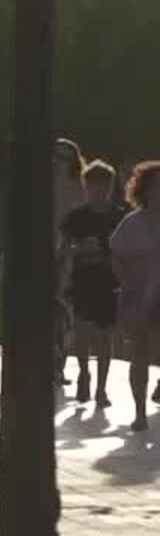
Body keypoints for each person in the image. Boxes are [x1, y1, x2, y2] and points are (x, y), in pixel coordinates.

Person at [61, 161, 123, 409]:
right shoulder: (76, 217)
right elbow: (64, 249)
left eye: (103, 184)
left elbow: (126, 250)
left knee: (105, 337)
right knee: (83, 333)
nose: (98, 189)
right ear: (86, 186)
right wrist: (78, 250)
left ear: (110, 186)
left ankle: (101, 387)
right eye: (93, 184)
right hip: (82, 280)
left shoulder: (119, 215)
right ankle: (84, 373)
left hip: (109, 282)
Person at [110, 162, 160, 431]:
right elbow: (116, 256)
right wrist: (127, 282)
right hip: (139, 296)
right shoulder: (132, 223)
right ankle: (140, 411)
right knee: (139, 353)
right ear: (146, 190)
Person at [54, 138, 88, 388]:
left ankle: (60, 365)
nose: (57, 162)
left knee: (65, 312)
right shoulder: (39, 185)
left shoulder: (81, 187)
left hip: (71, 257)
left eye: (63, 157)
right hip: (43, 254)